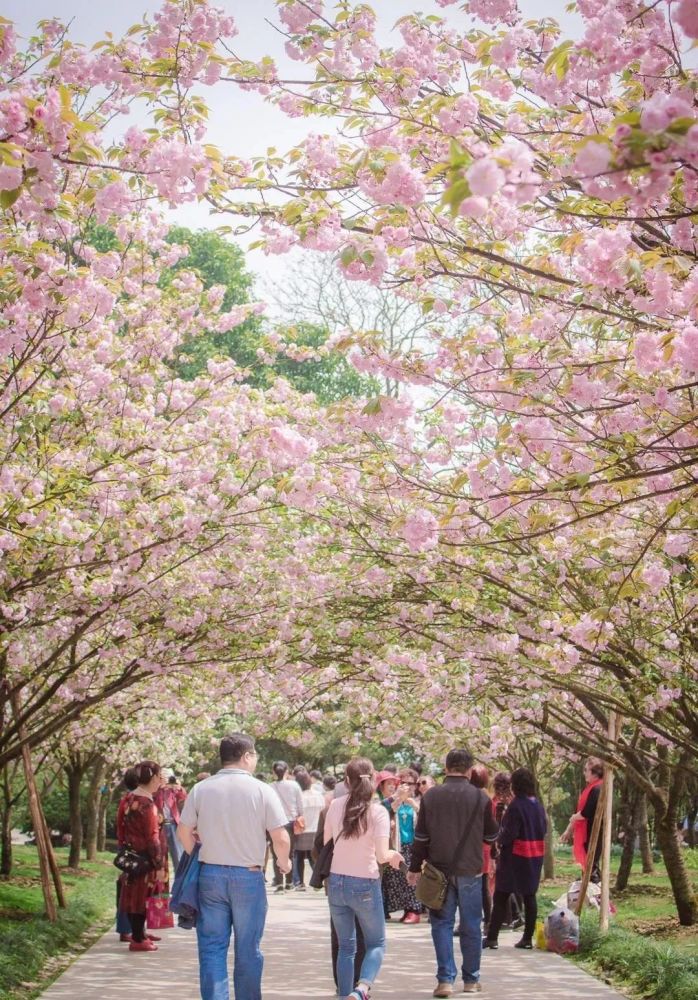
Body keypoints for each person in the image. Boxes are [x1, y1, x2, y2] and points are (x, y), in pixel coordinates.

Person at [177, 732, 291, 1000]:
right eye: (254, 755)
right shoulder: (263, 790)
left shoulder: (201, 789)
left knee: (212, 948)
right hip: (248, 878)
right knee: (248, 949)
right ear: (246, 756)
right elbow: (281, 837)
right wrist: (283, 862)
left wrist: (201, 853)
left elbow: (184, 831)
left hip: (210, 875)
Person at [407, 747, 498, 997]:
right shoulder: (481, 798)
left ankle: (445, 980)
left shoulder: (431, 796)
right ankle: (471, 980)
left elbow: (421, 836)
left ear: (447, 768)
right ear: (469, 770)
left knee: (442, 924)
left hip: (439, 871)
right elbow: (492, 835)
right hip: (471, 870)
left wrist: (414, 867)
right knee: (471, 924)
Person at [324, 757, 404, 1000]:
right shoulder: (377, 811)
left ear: (347, 781)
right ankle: (362, 989)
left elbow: (328, 841)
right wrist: (393, 855)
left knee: (346, 946)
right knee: (376, 943)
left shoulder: (335, 805)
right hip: (365, 883)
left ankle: (343, 994)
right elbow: (381, 855)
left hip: (337, 881)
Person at [484, 767, 547, 951]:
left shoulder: (516, 806)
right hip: (535, 854)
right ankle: (527, 938)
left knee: (501, 894)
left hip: (515, 856)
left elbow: (509, 833)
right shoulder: (537, 805)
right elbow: (544, 829)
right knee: (529, 895)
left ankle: (492, 937)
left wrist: (499, 840)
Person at [116, 759, 167, 953]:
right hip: (145, 859)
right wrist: (159, 863)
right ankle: (137, 938)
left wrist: (124, 848)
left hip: (131, 856)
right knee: (142, 898)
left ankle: (140, 934)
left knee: (132, 896)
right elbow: (152, 837)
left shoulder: (129, 799)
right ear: (153, 777)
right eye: (158, 776)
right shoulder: (147, 804)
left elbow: (120, 827)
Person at [381, 768, 424, 924]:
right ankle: (404, 909)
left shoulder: (419, 802)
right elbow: (384, 811)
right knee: (397, 879)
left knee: (412, 878)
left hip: (414, 845)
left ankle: (414, 910)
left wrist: (411, 802)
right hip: (398, 845)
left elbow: (425, 815)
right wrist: (398, 798)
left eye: (410, 784)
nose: (407, 786)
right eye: (403, 783)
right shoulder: (396, 802)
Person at [560, 757, 604, 882]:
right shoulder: (592, 788)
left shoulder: (597, 788)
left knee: (591, 865)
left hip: (592, 833)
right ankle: (589, 888)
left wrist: (574, 818)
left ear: (595, 772)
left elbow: (586, 812)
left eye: (586, 770)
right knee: (588, 866)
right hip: (588, 831)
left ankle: (596, 893)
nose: (584, 773)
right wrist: (569, 829)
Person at [269, 760, 304, 893]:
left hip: (273, 823)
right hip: (291, 822)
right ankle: (289, 882)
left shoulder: (270, 786)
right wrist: (300, 815)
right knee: (291, 852)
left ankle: (279, 883)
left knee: (275, 851)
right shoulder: (294, 785)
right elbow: (300, 804)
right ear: (287, 771)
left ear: (273, 772)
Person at [115, 766, 138, 942]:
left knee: (135, 889)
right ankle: (125, 928)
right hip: (131, 850)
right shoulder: (131, 801)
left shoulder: (129, 799)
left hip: (129, 847)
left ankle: (135, 928)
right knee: (128, 888)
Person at [469, 765, 493, 930]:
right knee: (483, 885)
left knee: (471, 886)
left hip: (473, 846)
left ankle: (471, 921)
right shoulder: (487, 798)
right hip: (484, 845)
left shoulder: (471, 796)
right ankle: (488, 921)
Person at [293, 769, 325, 890]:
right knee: (314, 857)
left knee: (300, 857)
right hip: (316, 829)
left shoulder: (299, 796)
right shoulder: (318, 794)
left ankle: (300, 883)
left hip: (302, 829)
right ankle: (317, 882)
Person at [154, 773, 188, 870]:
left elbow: (184, 798)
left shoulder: (174, 791)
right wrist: (160, 787)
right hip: (160, 825)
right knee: (160, 854)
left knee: (178, 854)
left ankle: (179, 879)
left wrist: (179, 787)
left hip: (173, 824)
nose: (167, 781)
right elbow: (153, 798)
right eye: (163, 778)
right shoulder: (157, 790)